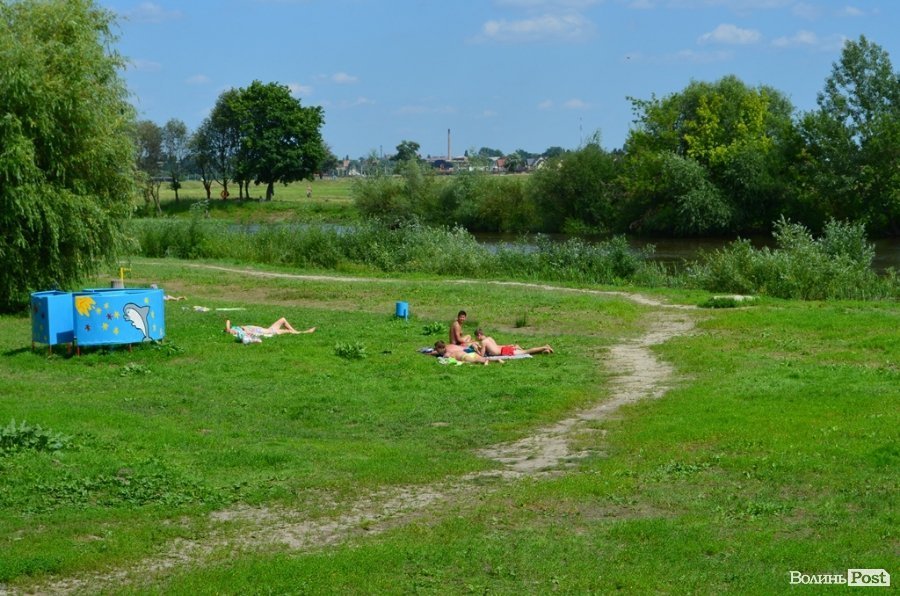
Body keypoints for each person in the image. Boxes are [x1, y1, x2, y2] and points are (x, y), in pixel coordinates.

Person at [225, 318, 315, 344]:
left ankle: (296, 331)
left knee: (283, 319)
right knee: (288, 331)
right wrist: (229, 329)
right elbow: (228, 326)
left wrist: (229, 327)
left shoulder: (236, 328)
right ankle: (305, 332)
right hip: (267, 332)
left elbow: (228, 320)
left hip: (268, 329)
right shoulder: (237, 332)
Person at [474, 329, 553, 356]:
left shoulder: (483, 342)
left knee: (526, 351)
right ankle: (544, 350)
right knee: (525, 352)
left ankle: (545, 347)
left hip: (504, 351)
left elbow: (482, 355)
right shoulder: (489, 338)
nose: (476, 339)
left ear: (479, 335)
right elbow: (496, 346)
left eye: (476, 337)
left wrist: (476, 349)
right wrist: (508, 345)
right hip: (504, 349)